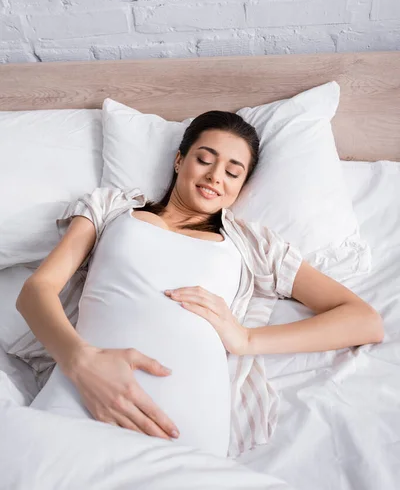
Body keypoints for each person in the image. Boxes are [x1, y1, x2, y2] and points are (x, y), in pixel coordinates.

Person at [16, 111, 384, 458]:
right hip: (84, 387)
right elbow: (37, 290)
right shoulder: (112, 208)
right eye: (205, 159)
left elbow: (364, 320)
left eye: (233, 171)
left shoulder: (253, 245)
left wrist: (247, 339)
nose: (215, 176)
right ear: (180, 160)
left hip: (183, 423)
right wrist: (80, 360)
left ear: (241, 186)